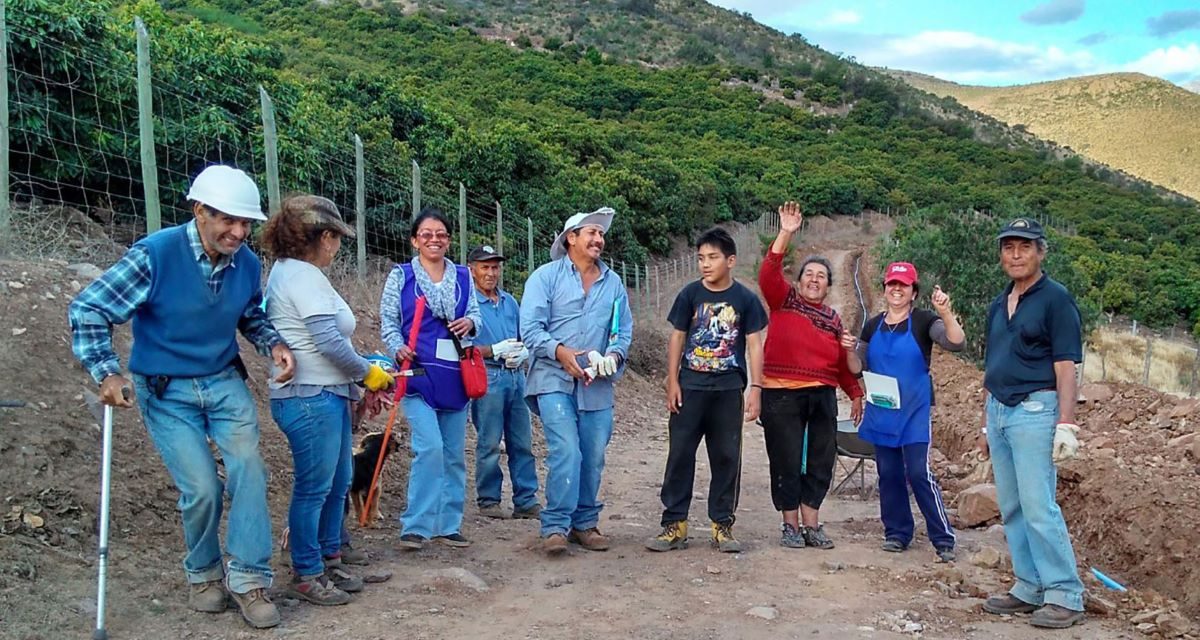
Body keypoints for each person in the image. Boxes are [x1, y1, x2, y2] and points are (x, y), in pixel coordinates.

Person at [67, 165, 295, 629]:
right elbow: (89, 308)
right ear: (199, 211)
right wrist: (106, 371)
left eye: (245, 223)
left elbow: (250, 314)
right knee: (202, 489)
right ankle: (204, 573)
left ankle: (249, 579)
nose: (237, 232)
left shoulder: (248, 263)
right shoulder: (155, 255)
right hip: (165, 388)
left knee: (249, 469)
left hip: (222, 379)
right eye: (227, 221)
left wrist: (273, 344)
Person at [261, 195, 394, 605]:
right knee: (315, 486)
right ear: (323, 236)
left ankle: (327, 558)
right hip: (309, 396)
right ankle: (307, 570)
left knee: (335, 483)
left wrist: (356, 377)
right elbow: (327, 341)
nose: (337, 246)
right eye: (336, 237)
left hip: (324, 393)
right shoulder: (302, 276)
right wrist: (366, 372)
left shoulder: (297, 273)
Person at [978, 218, 1086, 629]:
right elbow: (993, 364)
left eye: (1025, 247)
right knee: (1012, 505)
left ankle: (1065, 593)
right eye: (1009, 248)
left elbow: (1065, 366)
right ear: (1002, 254)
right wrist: (986, 424)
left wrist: (1067, 424)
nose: (1016, 254)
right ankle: (1029, 586)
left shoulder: (1056, 300)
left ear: (1041, 252)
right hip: (1000, 412)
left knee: (1039, 505)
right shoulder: (997, 303)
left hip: (1035, 411)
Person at [646, 228, 766, 554]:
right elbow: (677, 338)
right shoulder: (689, 295)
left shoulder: (745, 299)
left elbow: (754, 345)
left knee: (727, 457)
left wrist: (755, 387)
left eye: (712, 257)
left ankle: (722, 526)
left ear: (731, 260)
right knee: (680, 455)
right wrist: (672, 380)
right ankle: (674, 525)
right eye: (701, 258)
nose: (705, 264)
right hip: (691, 387)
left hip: (728, 389)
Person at [520, 207, 632, 556]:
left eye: (601, 234)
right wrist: (561, 353)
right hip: (552, 378)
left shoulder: (613, 283)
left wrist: (612, 356)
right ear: (571, 238)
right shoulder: (545, 278)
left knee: (594, 454)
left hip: (596, 385)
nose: (599, 239)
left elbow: (621, 331)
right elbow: (531, 330)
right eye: (592, 233)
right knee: (566, 449)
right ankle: (555, 526)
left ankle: (584, 523)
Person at [757, 201, 863, 550]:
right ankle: (790, 526)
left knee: (820, 459)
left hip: (821, 396)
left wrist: (856, 394)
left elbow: (839, 366)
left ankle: (812, 524)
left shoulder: (833, 320)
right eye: (809, 275)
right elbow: (768, 275)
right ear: (798, 282)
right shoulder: (783, 301)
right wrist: (786, 232)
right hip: (781, 395)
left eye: (821, 276)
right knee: (785, 458)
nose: (814, 280)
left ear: (828, 285)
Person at [845, 262, 963, 563]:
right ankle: (896, 533)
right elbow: (857, 367)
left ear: (913, 292)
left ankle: (943, 538)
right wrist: (847, 348)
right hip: (883, 411)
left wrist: (946, 312)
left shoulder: (925, 322)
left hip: (914, 412)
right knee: (889, 474)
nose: (896, 289)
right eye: (891, 284)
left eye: (904, 285)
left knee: (919, 473)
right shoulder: (872, 325)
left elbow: (956, 342)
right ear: (884, 289)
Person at [380, 207, 481, 550]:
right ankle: (416, 525)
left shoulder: (466, 277)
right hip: (418, 375)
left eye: (440, 234)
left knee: (453, 453)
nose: (434, 239)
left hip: (455, 378)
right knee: (430, 448)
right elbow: (389, 321)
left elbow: (475, 317)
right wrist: (396, 347)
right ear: (414, 240)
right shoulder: (401, 276)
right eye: (426, 234)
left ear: (449, 240)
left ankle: (448, 524)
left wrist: (469, 324)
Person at [467, 245, 540, 520]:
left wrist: (524, 351)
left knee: (522, 440)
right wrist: (494, 349)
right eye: (485, 267)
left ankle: (526, 499)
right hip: (488, 373)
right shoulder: (469, 304)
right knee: (489, 440)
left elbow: (524, 335)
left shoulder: (509, 301)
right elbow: (464, 347)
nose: (491, 272)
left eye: (495, 267)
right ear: (472, 269)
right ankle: (489, 499)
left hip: (515, 374)